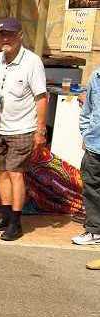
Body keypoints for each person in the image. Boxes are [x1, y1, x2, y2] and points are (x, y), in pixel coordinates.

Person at [0, 17, 47, 241]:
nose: (6, 38)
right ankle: (6, 216)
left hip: (22, 128)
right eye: (2, 34)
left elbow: (41, 97)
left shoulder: (32, 61)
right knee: (1, 173)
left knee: (15, 174)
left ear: (20, 36)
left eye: (10, 34)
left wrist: (40, 130)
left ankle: (16, 223)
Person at [75, 66, 100, 246]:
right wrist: (86, 133)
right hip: (95, 144)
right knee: (91, 189)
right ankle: (95, 231)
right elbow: (88, 109)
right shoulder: (96, 76)